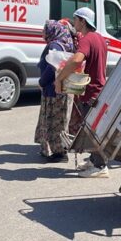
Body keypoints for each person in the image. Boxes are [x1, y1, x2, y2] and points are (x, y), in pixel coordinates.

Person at [55, 7, 109, 178]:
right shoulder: (99, 38)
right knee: (91, 130)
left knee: (92, 132)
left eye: (76, 20)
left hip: (92, 92)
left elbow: (77, 59)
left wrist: (60, 78)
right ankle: (94, 160)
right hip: (98, 89)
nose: (74, 23)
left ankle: (100, 167)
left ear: (83, 21)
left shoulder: (87, 39)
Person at [34, 20, 75, 162]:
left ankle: (59, 153)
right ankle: (56, 151)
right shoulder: (66, 43)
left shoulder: (54, 45)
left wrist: (41, 82)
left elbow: (52, 67)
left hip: (54, 90)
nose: (42, 33)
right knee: (61, 121)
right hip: (62, 89)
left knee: (55, 122)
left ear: (52, 31)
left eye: (44, 30)